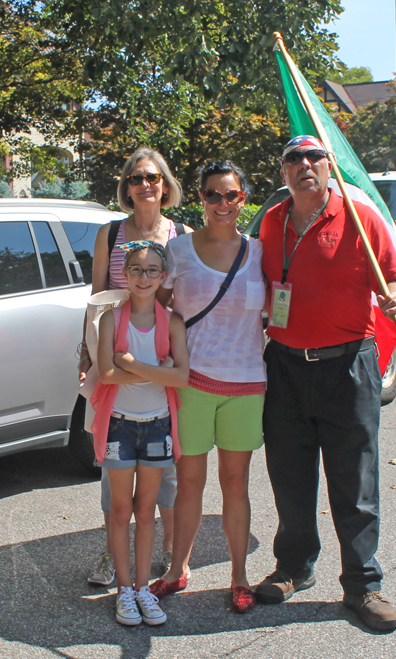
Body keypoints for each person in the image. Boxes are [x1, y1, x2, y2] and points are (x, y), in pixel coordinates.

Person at [254, 135, 396, 632]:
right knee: (289, 474)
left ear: (329, 166)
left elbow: (395, 281)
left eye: (314, 157)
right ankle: (294, 567)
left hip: (349, 366)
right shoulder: (272, 223)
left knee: (354, 479)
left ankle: (363, 585)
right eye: (294, 159)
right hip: (285, 365)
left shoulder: (361, 220)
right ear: (283, 172)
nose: (305, 166)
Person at [149, 161, 266, 614]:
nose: (222, 203)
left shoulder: (259, 252)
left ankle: (239, 576)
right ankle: (178, 569)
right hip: (192, 382)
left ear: (242, 199)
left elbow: (286, 298)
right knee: (190, 483)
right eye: (213, 194)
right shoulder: (177, 250)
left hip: (247, 384)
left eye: (231, 195)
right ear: (199, 198)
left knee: (236, 483)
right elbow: (155, 311)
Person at [78, 147, 192, 586]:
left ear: (166, 185)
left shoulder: (181, 235)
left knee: (165, 467)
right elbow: (95, 299)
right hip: (115, 352)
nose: (146, 185)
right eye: (137, 178)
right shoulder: (109, 234)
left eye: (154, 177)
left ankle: (166, 553)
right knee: (115, 466)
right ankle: (112, 554)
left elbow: (187, 297)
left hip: (161, 356)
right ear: (126, 186)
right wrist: (87, 354)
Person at [92, 241, 189, 625]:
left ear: (163, 277)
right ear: (125, 275)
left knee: (147, 511)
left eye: (152, 270)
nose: (144, 277)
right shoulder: (111, 321)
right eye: (136, 269)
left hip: (158, 426)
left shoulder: (173, 322)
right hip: (118, 424)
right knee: (120, 509)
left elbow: (181, 377)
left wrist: (131, 362)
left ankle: (145, 589)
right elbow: (107, 374)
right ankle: (125, 589)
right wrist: (158, 369)